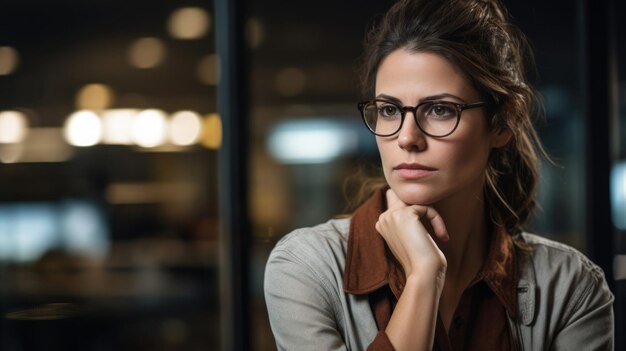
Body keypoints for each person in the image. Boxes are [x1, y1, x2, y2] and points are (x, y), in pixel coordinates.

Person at [264, 0, 615, 349]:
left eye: (440, 109)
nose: (407, 138)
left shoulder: (571, 287)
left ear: (502, 122)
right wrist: (423, 278)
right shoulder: (306, 268)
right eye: (389, 109)